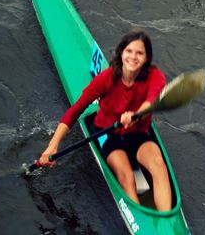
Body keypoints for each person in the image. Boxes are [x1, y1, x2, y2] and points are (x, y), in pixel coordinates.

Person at [38, 29, 172, 211]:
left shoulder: (155, 76)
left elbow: (151, 101)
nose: (133, 57)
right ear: (121, 53)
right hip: (108, 133)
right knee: (126, 177)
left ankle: (167, 225)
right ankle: (140, 218)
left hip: (138, 133)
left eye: (140, 53)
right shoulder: (106, 79)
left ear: (147, 58)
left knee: (158, 165)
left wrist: (135, 115)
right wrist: (52, 146)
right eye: (129, 51)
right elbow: (75, 110)